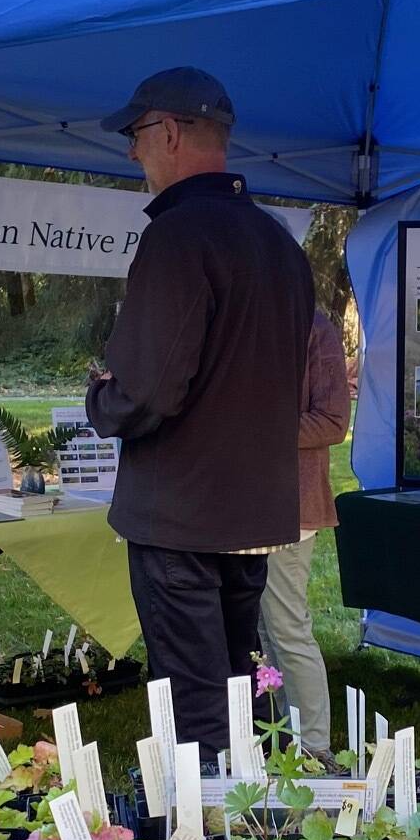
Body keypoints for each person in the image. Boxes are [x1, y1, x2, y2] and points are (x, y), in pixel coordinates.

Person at [86, 67, 315, 755]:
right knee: (238, 686)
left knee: (196, 703)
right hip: (252, 512)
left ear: (173, 132)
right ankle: (250, 835)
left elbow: (151, 390)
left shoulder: (179, 237)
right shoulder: (277, 243)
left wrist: (102, 398)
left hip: (182, 514)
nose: (132, 152)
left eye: (136, 134)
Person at [257, 309, 350, 756]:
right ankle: (276, 742)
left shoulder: (312, 327)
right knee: (258, 633)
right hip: (236, 507)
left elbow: (333, 422)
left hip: (291, 508)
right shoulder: (237, 318)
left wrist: (251, 431)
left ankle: (314, 750)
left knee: (286, 628)